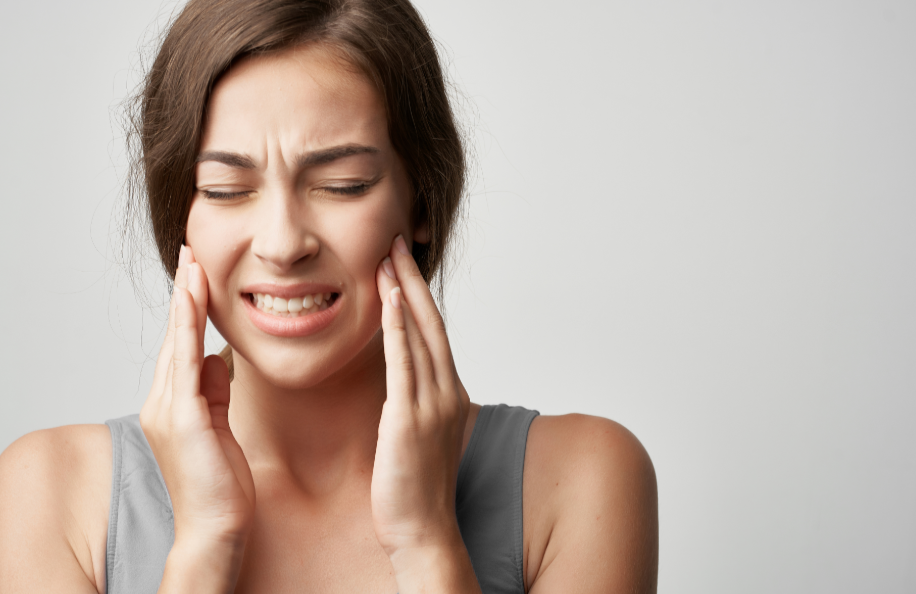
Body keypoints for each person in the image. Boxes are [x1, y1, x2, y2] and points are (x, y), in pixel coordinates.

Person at [0, 0, 658, 592]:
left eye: (343, 184)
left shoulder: (580, 482)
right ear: (180, 216)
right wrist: (202, 546)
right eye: (227, 190)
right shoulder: (53, 494)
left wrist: (428, 545)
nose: (284, 244)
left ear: (421, 200)